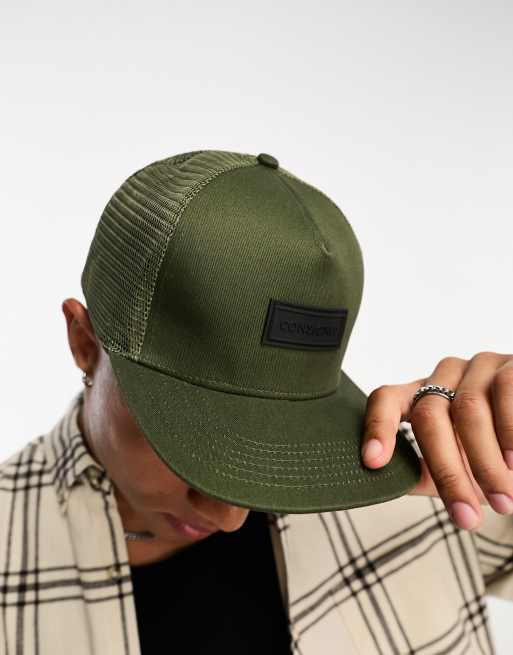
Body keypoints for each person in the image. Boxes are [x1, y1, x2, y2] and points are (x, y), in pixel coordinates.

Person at [1, 149, 513, 655]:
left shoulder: (421, 481)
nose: (230, 516)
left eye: (280, 432)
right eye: (187, 436)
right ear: (84, 343)